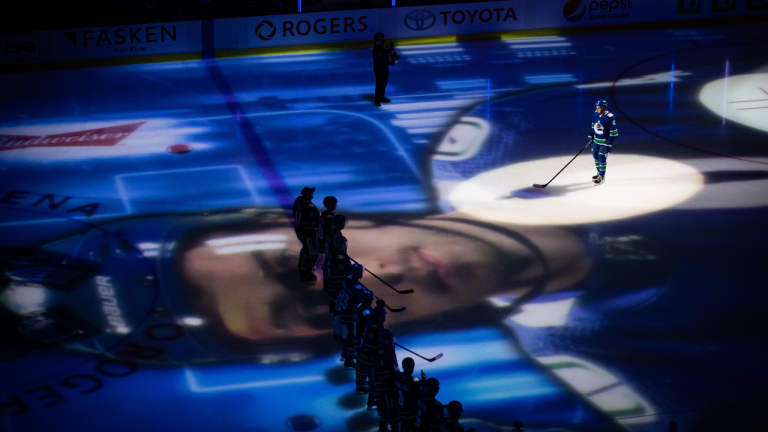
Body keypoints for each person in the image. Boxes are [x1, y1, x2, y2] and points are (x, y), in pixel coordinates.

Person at [374, 329, 400, 432]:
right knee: (391, 409)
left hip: (388, 384)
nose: (391, 341)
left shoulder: (389, 348)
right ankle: (394, 429)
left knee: (385, 408)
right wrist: (392, 384)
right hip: (385, 387)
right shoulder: (381, 352)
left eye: (391, 339)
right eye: (389, 340)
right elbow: (383, 372)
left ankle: (383, 428)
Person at [294, 187, 321, 281]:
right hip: (308, 234)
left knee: (306, 249)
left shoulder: (299, 200)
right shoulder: (310, 207)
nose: (312, 194)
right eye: (310, 193)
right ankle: (305, 272)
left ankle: (301, 266)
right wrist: (313, 233)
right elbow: (310, 223)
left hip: (300, 231)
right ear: (307, 195)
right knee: (312, 253)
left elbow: (295, 213)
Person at [588, 99, 618, 185]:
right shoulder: (595, 114)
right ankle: (599, 173)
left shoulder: (609, 117)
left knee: (601, 158)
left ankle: (602, 177)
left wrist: (609, 143)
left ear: (604, 108)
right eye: (596, 108)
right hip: (596, 141)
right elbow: (593, 126)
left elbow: (614, 132)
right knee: (595, 156)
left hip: (604, 142)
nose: (597, 109)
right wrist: (591, 135)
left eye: (599, 108)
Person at [395, 357, 427, 432]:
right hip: (411, 412)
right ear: (413, 367)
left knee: (404, 428)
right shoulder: (415, 381)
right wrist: (424, 381)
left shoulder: (398, 376)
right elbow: (423, 393)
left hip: (400, 410)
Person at [353, 288, 375, 394]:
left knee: (360, 363)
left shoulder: (359, 307)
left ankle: (360, 384)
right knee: (364, 364)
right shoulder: (367, 314)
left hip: (356, 338)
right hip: (362, 342)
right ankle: (362, 386)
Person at [373, 32, 397, 107]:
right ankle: (377, 100)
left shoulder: (381, 47)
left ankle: (381, 97)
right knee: (379, 84)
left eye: (381, 38)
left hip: (384, 68)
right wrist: (392, 62)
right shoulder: (376, 49)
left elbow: (385, 54)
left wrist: (389, 50)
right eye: (378, 39)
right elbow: (382, 59)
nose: (380, 40)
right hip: (379, 68)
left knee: (384, 83)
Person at [320, 196, 338, 291]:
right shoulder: (329, 217)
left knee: (328, 264)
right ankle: (329, 285)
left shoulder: (324, 214)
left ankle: (327, 285)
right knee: (330, 265)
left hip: (327, 244)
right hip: (329, 244)